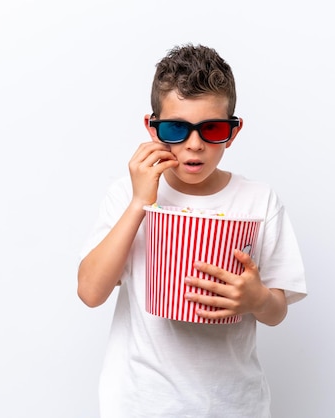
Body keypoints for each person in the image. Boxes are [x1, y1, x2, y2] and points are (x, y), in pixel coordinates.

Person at [77, 43, 307, 418]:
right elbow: (89, 291)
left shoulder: (258, 200)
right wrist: (140, 203)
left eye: (212, 129)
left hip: (235, 405)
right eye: (175, 128)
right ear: (153, 129)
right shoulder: (126, 194)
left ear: (232, 132)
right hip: (140, 405)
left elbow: (277, 309)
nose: (194, 145)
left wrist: (256, 298)